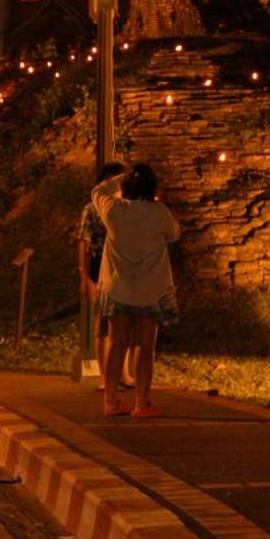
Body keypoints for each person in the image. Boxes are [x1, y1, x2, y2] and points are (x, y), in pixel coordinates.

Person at [91, 163, 180, 418]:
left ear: (126, 187)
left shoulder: (114, 210)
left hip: (118, 288)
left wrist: (122, 176)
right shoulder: (159, 213)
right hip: (150, 290)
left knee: (116, 343)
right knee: (145, 347)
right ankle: (141, 404)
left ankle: (110, 402)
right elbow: (174, 234)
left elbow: (98, 190)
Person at [78, 162, 127, 390]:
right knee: (104, 324)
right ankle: (104, 376)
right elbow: (85, 243)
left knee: (125, 322)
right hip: (100, 268)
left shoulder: (128, 207)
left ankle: (123, 374)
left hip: (124, 269)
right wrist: (85, 277)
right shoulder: (91, 209)